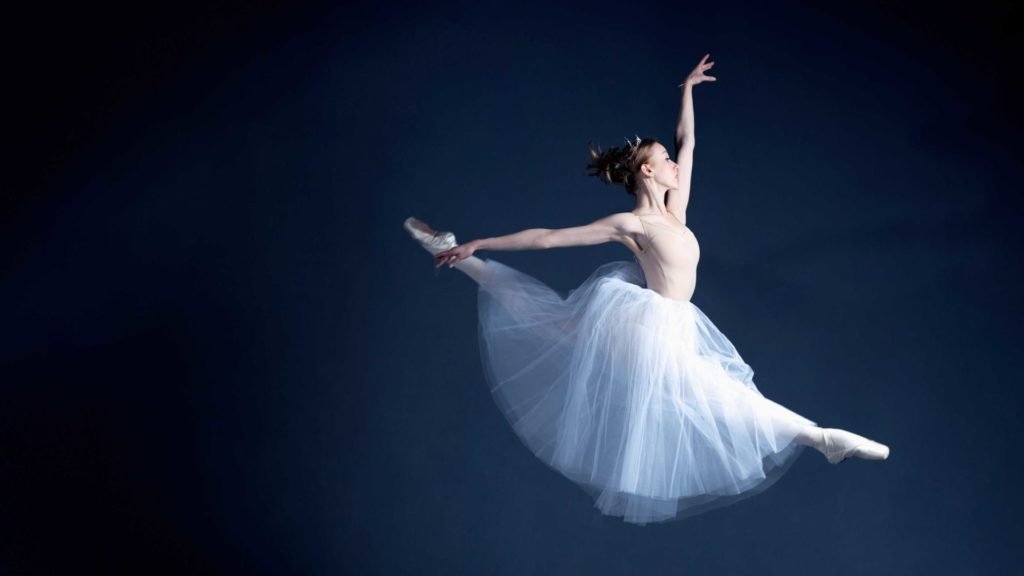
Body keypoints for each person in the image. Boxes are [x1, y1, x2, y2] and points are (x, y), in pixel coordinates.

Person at [403, 54, 889, 525]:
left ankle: (821, 439)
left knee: (558, 324)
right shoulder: (632, 224)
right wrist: (483, 240)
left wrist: (687, 90)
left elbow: (687, 142)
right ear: (648, 171)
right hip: (644, 326)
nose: (675, 164)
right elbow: (548, 238)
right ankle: (822, 438)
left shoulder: (676, 212)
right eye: (665, 160)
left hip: (673, 324)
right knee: (717, 393)